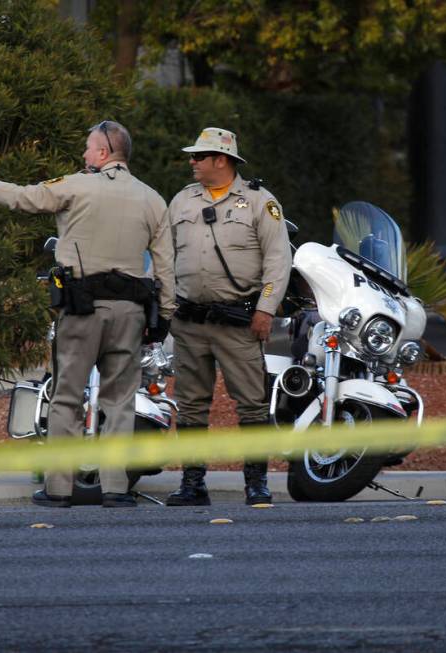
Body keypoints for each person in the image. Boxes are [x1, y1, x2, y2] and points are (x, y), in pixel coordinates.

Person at [0, 120, 176, 508]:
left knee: (67, 397)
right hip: (130, 312)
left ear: (104, 152)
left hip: (82, 309)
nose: (84, 155)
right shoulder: (153, 199)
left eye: (88, 148)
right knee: (120, 401)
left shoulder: (76, 185)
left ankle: (58, 488)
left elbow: (22, 197)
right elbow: (166, 264)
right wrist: (165, 315)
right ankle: (116, 489)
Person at [166, 127, 291, 506]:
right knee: (189, 402)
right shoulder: (182, 201)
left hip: (238, 320)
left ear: (221, 160)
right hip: (189, 320)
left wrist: (266, 309)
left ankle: (256, 483)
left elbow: (278, 260)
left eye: (199, 156)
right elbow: (164, 255)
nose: (192, 162)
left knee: (251, 402)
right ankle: (193, 484)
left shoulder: (259, 202)